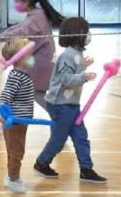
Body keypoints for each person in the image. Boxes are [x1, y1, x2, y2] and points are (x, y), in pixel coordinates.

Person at [0, 0, 62, 136]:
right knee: (27, 93)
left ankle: (61, 121)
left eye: (17, 0)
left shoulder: (35, 18)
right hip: (40, 61)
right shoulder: (37, 14)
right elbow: (17, 29)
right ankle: (1, 122)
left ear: (26, 1)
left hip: (39, 63)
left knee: (28, 93)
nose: (15, 3)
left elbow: (20, 32)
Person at [32, 17, 107, 184]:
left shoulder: (77, 54)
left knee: (81, 137)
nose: (88, 35)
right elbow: (66, 78)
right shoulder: (67, 55)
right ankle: (41, 163)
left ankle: (86, 170)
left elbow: (73, 69)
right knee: (58, 140)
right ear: (76, 34)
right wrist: (83, 76)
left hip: (71, 104)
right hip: (61, 105)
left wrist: (83, 66)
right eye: (85, 32)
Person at [0, 38, 37, 194]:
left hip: (17, 120)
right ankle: (14, 179)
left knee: (12, 150)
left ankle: (10, 176)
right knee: (17, 151)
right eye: (30, 54)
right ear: (21, 58)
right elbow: (5, 97)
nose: (32, 57)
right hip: (15, 122)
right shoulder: (17, 76)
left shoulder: (20, 74)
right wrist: (4, 114)